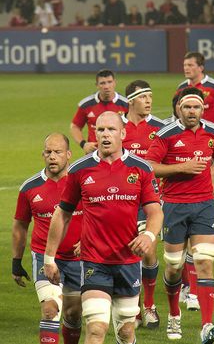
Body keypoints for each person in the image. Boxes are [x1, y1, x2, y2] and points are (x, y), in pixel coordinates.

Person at [44, 111, 164, 344]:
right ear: (95, 134)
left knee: (126, 331)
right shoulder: (80, 169)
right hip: (94, 262)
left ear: (123, 133)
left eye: (110, 129)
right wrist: (49, 257)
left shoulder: (141, 168)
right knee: (96, 329)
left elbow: (155, 210)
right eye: (100, 130)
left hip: (128, 262)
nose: (105, 135)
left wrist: (149, 234)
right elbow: (62, 213)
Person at [146, 87, 214, 343]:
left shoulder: (212, 131)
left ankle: (207, 325)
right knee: (173, 267)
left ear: (203, 109)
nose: (191, 111)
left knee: (205, 262)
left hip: (204, 204)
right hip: (173, 206)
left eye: (196, 107)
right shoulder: (166, 135)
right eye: (186, 107)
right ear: (178, 110)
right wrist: (181, 167)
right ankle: (174, 313)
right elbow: (149, 166)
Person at [12, 133, 82, 344]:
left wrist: (87, 239)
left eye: (57, 152)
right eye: (48, 152)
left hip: (79, 259)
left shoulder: (82, 183)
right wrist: (16, 261)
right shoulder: (30, 188)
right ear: (43, 154)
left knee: (73, 314)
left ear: (68, 154)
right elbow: (20, 225)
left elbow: (98, 215)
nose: (52, 157)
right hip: (45, 258)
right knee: (51, 310)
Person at [177, 51, 214, 244]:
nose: (187, 68)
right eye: (185, 65)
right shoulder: (180, 89)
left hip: (213, 144)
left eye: (191, 65)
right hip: (191, 145)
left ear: (201, 67)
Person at [122, 80, 165, 329]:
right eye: (144, 97)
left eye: (150, 96)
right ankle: (134, 308)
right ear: (131, 100)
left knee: (148, 251)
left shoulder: (160, 128)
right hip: (122, 200)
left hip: (150, 199)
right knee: (129, 254)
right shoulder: (117, 126)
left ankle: (148, 306)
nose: (149, 101)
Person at [70, 69, 128, 154]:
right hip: (94, 153)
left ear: (115, 82)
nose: (106, 86)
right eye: (102, 83)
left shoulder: (126, 104)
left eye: (109, 82)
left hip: (119, 153)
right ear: (97, 85)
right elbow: (75, 126)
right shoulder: (86, 104)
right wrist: (84, 144)